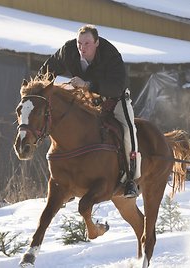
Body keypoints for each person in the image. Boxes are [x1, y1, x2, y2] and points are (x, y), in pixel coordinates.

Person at [36, 24, 140, 198]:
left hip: (116, 98)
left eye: (87, 44)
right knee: (67, 123)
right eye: (79, 43)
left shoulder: (111, 54)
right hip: (87, 98)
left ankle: (131, 179)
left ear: (97, 42)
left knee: (129, 130)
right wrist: (38, 90)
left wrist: (87, 85)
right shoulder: (69, 50)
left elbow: (116, 86)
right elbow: (46, 70)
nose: (82, 48)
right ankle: (67, 179)